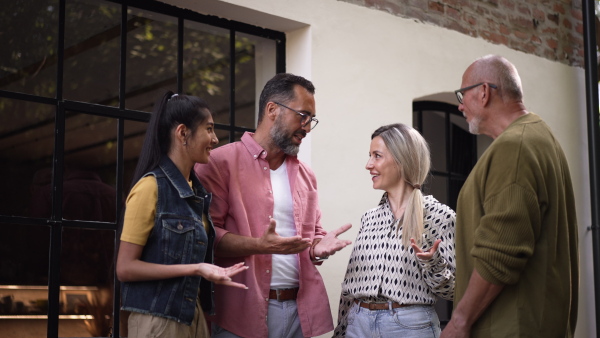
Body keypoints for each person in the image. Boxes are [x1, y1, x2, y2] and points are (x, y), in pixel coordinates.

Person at [194, 73, 353, 338]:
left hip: (298, 314)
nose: (307, 127)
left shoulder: (306, 175)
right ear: (272, 110)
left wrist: (318, 248)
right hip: (239, 314)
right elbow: (207, 236)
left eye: (311, 120)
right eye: (302, 116)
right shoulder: (219, 163)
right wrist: (261, 245)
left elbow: (311, 235)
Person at [441, 55, 579, 338]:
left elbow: (500, 254)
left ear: (483, 92)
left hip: (510, 328)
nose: (459, 104)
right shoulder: (542, 139)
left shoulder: (514, 148)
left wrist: (459, 321)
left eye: (462, 94)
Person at [116, 91, 248, 338]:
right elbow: (125, 268)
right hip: (158, 321)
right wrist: (196, 268)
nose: (215, 139)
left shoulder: (196, 191)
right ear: (182, 133)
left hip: (192, 316)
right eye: (209, 129)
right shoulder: (150, 187)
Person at [334, 123, 456, 337]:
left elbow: (454, 290)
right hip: (357, 324)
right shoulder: (369, 219)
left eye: (377, 156)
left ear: (402, 160)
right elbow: (349, 288)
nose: (368, 164)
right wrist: (342, 329)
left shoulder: (440, 217)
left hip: (409, 327)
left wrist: (432, 263)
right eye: (369, 156)